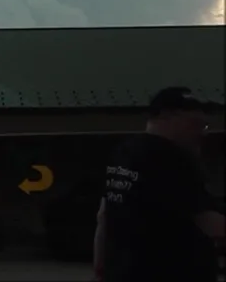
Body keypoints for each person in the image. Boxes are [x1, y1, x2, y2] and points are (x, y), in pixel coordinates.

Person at [93, 86, 224, 282]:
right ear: (166, 117)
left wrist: (100, 268)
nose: (201, 133)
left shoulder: (123, 152)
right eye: (196, 124)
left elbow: (103, 215)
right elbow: (209, 223)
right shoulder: (170, 159)